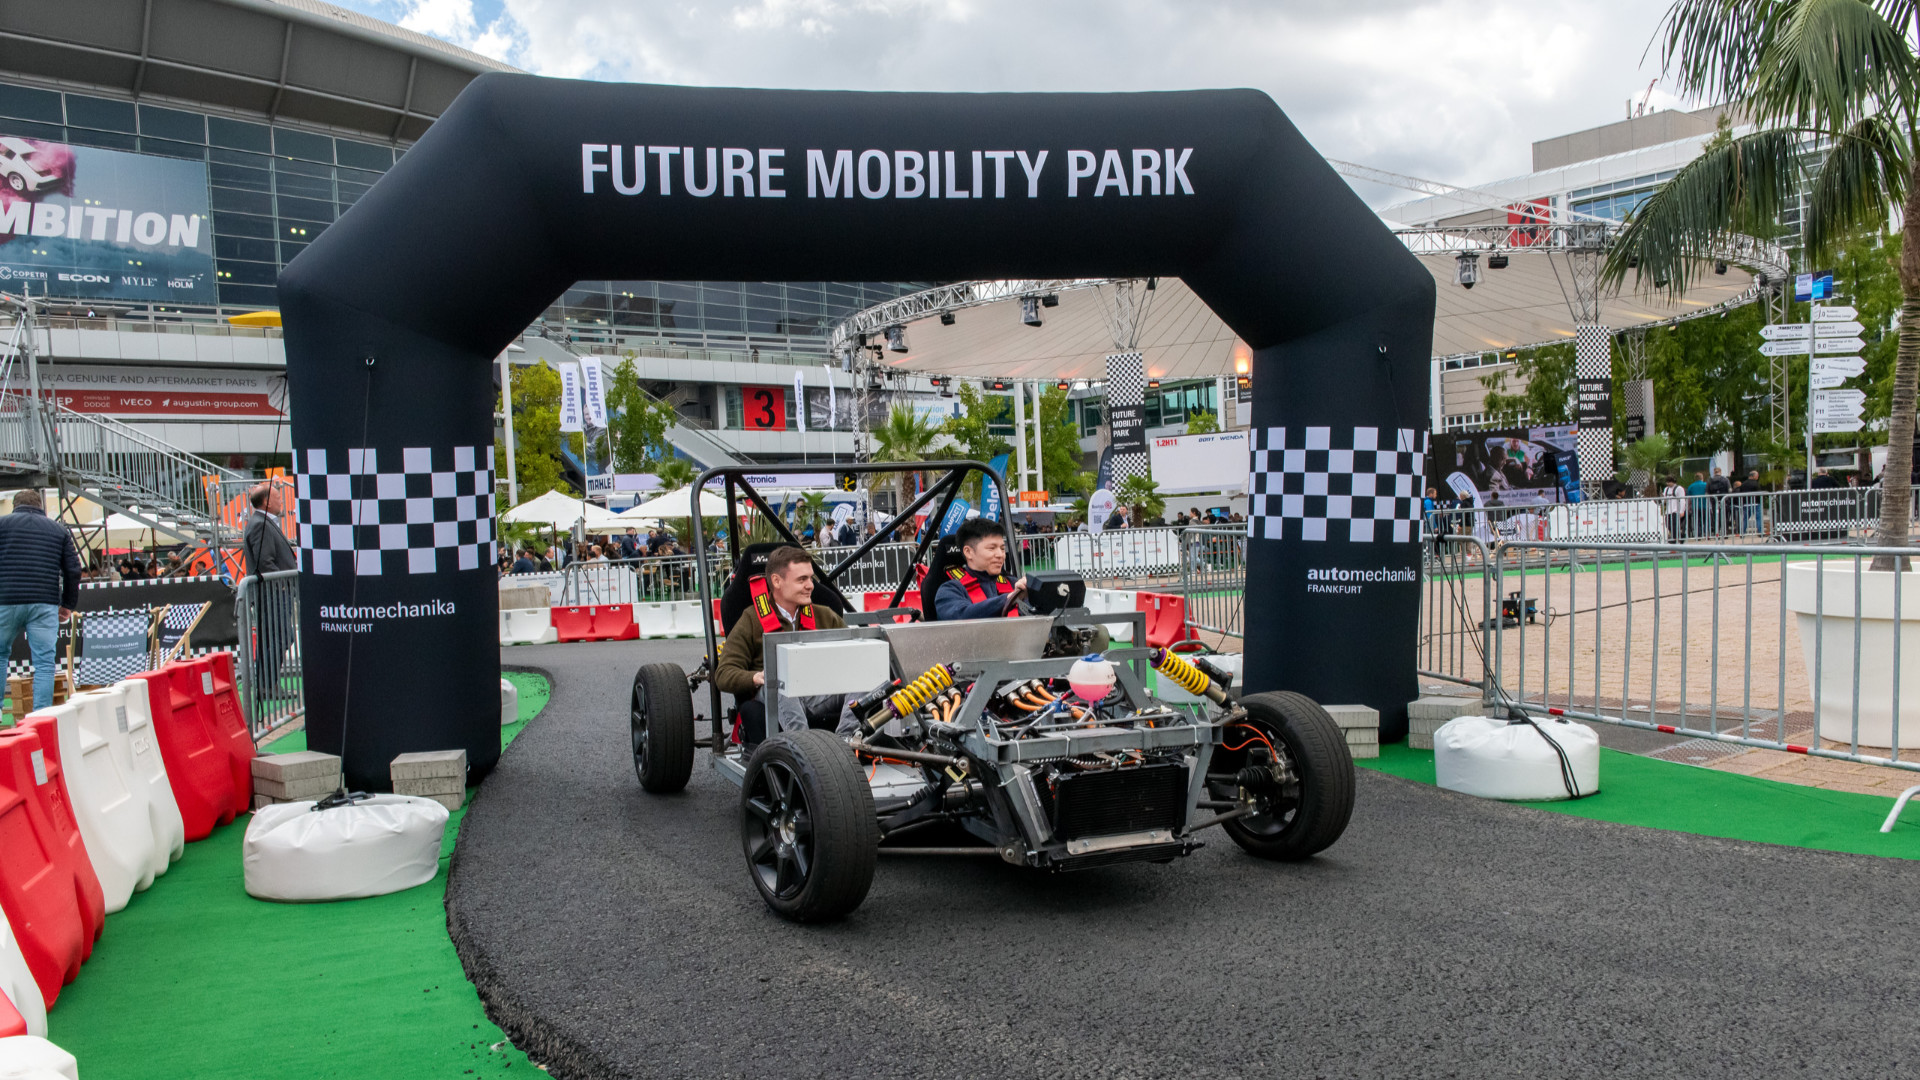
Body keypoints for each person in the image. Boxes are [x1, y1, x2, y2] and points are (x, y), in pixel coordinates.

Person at [714, 545, 847, 746]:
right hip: (774, 693)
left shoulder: (825, 615)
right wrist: (756, 677)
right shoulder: (752, 619)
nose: (810, 585)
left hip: (817, 692)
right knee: (780, 680)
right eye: (801, 580)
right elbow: (723, 673)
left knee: (872, 679)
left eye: (811, 578)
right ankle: (806, 751)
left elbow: (853, 656)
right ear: (777, 581)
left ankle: (849, 742)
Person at [0, 490, 80, 711]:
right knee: (44, 663)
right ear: (41, 506)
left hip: (6, 600)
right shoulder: (59, 530)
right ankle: (41, 716)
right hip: (44, 602)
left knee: (0, 655)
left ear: (14, 505)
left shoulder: (2, 524)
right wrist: (67, 604)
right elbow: (73, 570)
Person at [934, 518, 1029, 621]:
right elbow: (961, 617)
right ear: (968, 552)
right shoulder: (950, 590)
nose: (1000, 555)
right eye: (991, 548)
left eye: (1002, 548)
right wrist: (1010, 598)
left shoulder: (1014, 584)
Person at [243, 483, 298, 577]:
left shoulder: (261, 522)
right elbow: (265, 562)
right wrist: (283, 585)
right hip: (276, 590)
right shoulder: (260, 524)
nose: (281, 502)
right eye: (278, 498)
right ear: (267, 502)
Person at [1661, 475, 1687, 543]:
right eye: (1667, 482)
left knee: (1675, 525)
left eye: (1669, 482)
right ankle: (1679, 536)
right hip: (1668, 511)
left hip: (1675, 510)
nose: (1668, 484)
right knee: (1668, 525)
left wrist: (1682, 511)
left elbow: (1682, 500)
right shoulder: (1666, 489)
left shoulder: (1679, 488)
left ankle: (1675, 538)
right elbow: (1664, 499)